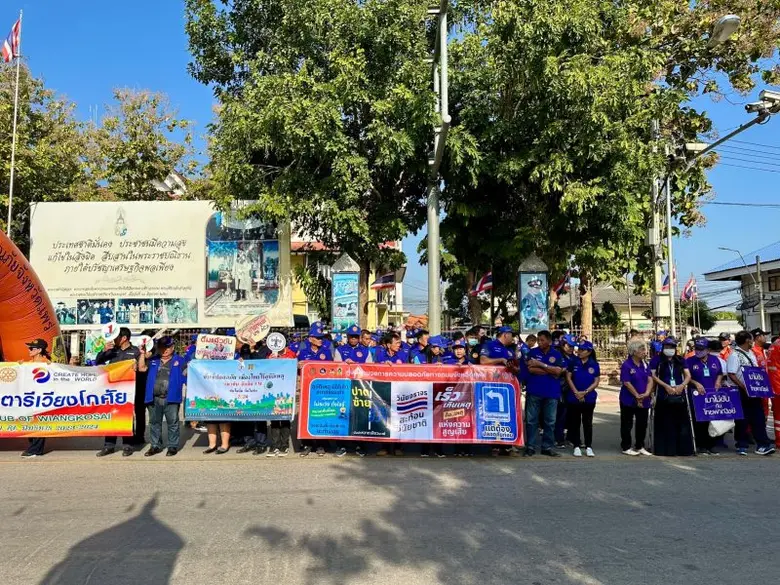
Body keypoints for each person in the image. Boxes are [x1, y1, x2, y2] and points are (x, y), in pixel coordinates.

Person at [95, 328, 144, 457]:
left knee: (126, 417)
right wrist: (103, 351)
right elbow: (98, 362)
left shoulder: (135, 351)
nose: (114, 339)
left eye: (116, 337)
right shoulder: (112, 351)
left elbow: (143, 367)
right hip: (113, 390)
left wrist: (136, 366)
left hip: (128, 390)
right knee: (111, 416)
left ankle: (127, 445)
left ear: (124, 338)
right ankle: (109, 446)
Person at [724, 330, 775, 456]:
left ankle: (763, 445)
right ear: (747, 340)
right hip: (741, 391)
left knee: (758, 418)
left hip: (754, 391)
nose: (753, 341)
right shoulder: (735, 355)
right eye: (751, 339)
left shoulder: (751, 353)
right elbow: (731, 373)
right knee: (742, 419)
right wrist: (744, 387)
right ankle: (741, 444)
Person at [139, 337, 188, 457]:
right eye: (161, 347)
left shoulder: (180, 360)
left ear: (172, 347)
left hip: (171, 398)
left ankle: (172, 446)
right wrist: (142, 354)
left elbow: (189, 375)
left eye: (167, 347)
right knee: (154, 423)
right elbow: (141, 368)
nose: (164, 350)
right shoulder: (153, 360)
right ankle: (155, 446)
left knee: (173, 423)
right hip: (153, 397)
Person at [523, 330, 564, 457]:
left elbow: (558, 371)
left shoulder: (556, 354)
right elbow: (531, 369)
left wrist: (540, 365)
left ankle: (547, 447)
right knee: (531, 420)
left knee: (550, 421)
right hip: (534, 391)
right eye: (538, 340)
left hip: (551, 392)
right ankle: (530, 446)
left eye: (542, 340)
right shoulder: (533, 352)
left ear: (549, 341)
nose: (539, 342)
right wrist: (550, 370)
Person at [651, 337, 694, 457]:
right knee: (665, 422)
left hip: (679, 393)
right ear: (663, 348)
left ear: (675, 348)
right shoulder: (657, 360)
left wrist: (682, 385)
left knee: (681, 423)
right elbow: (653, 376)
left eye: (671, 347)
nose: (669, 349)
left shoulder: (680, 360)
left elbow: (688, 375)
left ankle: (683, 449)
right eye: (667, 347)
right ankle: (665, 449)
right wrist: (666, 386)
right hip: (663, 394)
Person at [297, 322, 334, 457]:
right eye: (318, 338)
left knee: (322, 415)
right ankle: (306, 444)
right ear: (310, 338)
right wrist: (298, 366)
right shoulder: (303, 353)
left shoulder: (326, 351)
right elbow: (298, 371)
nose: (320, 340)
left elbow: (332, 370)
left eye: (321, 338)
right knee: (306, 415)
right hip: (307, 390)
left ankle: (321, 444)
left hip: (322, 390)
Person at [685, 337, 724, 455]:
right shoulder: (689, 361)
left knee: (712, 420)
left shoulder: (715, 360)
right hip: (697, 395)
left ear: (708, 350)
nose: (698, 351)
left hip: (712, 394)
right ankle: (701, 445)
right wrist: (696, 383)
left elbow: (720, 373)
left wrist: (718, 381)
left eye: (701, 349)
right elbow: (686, 377)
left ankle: (711, 445)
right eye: (697, 348)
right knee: (699, 421)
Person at [565, 340, 600, 457]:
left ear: (589, 352)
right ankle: (576, 445)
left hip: (589, 397)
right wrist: (576, 392)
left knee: (587, 422)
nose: (579, 351)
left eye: (582, 350)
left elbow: (596, 381)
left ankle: (588, 446)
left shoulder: (594, 364)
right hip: (574, 397)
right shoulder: (573, 362)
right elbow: (568, 377)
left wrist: (584, 393)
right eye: (579, 349)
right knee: (575, 422)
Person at [619, 339, 653, 456]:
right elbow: (626, 382)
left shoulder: (645, 364)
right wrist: (636, 395)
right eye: (642, 349)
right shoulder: (627, 365)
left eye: (645, 349)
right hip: (628, 399)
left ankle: (640, 446)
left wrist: (647, 393)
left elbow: (650, 379)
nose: (645, 352)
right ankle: (626, 446)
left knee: (642, 423)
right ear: (634, 351)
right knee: (627, 423)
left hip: (644, 398)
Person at [20, 339, 53, 458]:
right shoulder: (29, 363)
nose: (29, 350)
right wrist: (18, 367)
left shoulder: (46, 363)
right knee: (30, 422)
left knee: (39, 422)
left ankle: (36, 450)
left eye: (31, 348)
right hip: (30, 398)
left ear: (39, 350)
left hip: (42, 398)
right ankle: (34, 447)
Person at [554, 334, 576, 448]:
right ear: (563, 345)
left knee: (572, 416)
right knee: (560, 415)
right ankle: (559, 439)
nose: (571, 348)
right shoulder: (557, 356)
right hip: (560, 389)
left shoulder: (574, 358)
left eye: (573, 346)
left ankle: (572, 438)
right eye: (569, 346)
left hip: (573, 389)